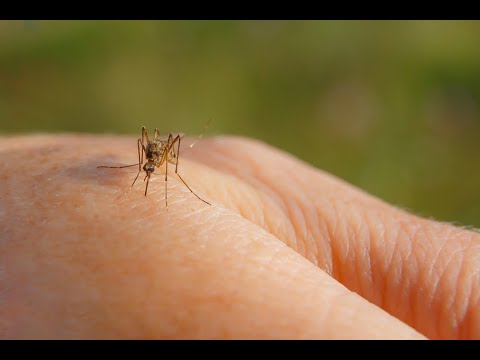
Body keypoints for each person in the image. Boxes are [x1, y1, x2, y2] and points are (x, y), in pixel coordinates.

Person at [0, 133, 478, 340]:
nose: (149, 166)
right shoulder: (144, 158)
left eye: (152, 162)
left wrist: (172, 174)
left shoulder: (165, 155)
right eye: (149, 163)